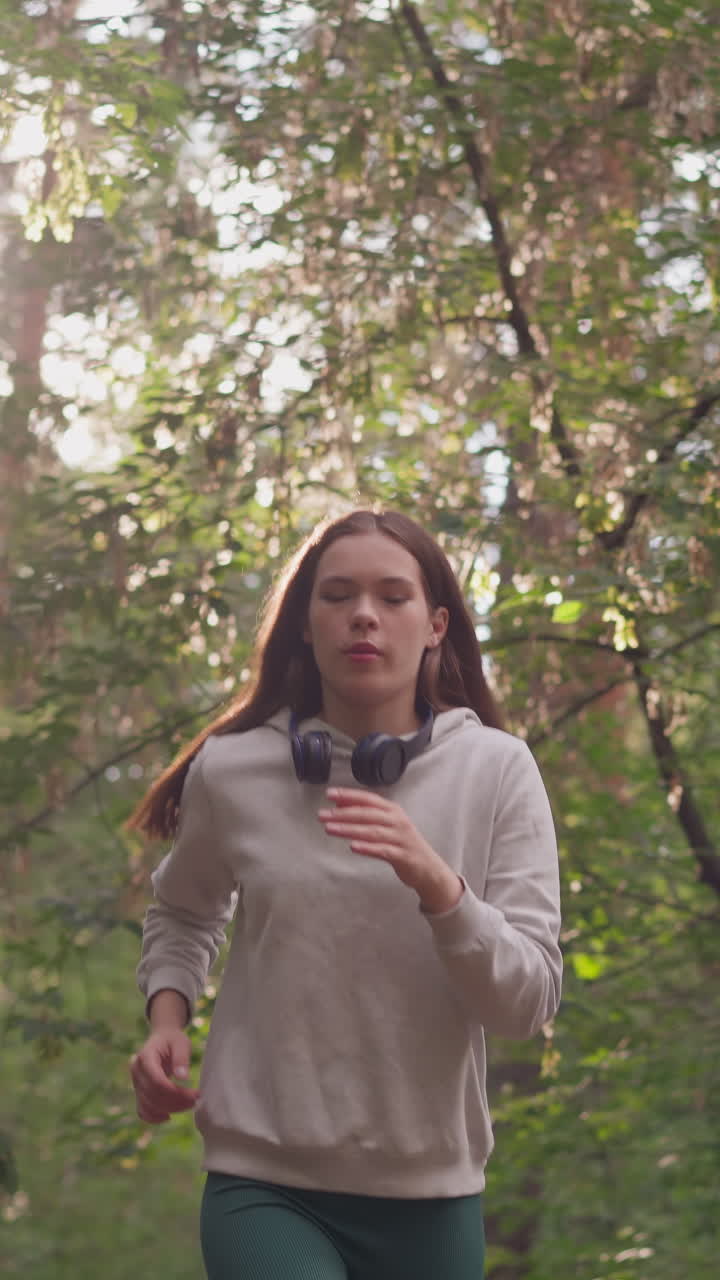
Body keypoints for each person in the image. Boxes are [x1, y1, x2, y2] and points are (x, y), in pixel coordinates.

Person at [128, 507, 562, 1280]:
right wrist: (168, 1017)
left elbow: (525, 1005)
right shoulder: (233, 770)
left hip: (432, 1194)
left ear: (435, 626)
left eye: (392, 597)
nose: (364, 615)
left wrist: (440, 888)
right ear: (305, 624)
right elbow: (184, 910)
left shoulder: (497, 771)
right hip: (265, 1182)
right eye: (338, 595)